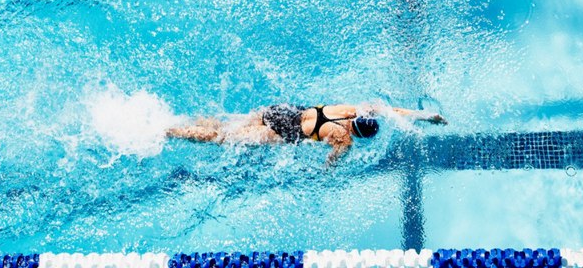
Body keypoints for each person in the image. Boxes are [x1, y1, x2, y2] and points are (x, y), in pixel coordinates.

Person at [166, 102, 446, 165]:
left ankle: (180, 121)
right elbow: (331, 163)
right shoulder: (343, 138)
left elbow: (391, 110)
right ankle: (171, 131)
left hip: (281, 111)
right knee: (223, 139)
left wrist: (425, 117)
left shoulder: (349, 108)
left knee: (225, 127)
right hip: (281, 132)